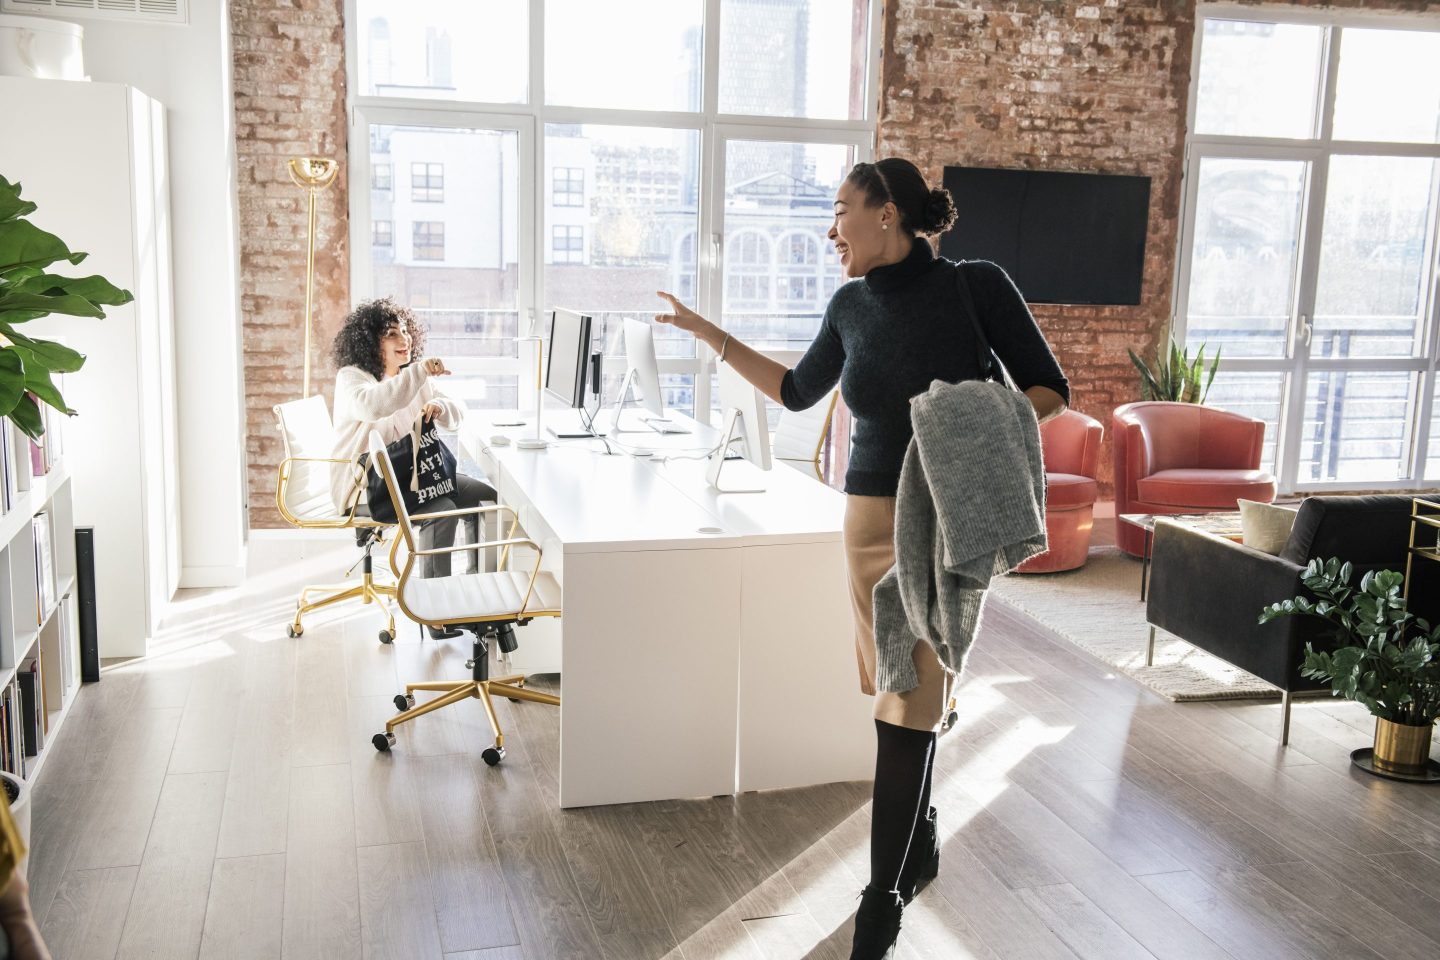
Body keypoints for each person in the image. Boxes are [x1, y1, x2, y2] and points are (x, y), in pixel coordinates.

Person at [655, 158, 1068, 959]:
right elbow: (796, 390)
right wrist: (711, 336)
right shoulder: (849, 305)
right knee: (899, 688)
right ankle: (920, 839)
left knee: (905, 706)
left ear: (887, 213)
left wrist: (968, 431)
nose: (831, 228)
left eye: (841, 209)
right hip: (866, 525)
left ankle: (879, 906)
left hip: (942, 521)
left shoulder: (976, 287)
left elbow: (1049, 391)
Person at [329, 299, 496, 636]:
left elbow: (458, 409)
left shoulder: (411, 378)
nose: (402, 339)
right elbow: (375, 405)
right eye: (391, 334)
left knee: (485, 499)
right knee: (441, 508)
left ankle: (477, 593)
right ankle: (435, 611)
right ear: (370, 341)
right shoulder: (352, 379)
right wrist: (420, 373)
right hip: (368, 487)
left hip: (413, 479)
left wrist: (439, 405)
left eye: (405, 331)